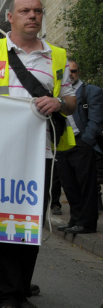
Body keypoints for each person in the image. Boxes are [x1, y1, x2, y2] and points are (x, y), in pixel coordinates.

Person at [0, 0, 75, 308]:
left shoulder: (56, 55)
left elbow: (70, 100)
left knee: (30, 224)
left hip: (39, 153)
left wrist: (57, 102)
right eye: (25, 11)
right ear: (10, 17)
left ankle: (20, 293)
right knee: (0, 224)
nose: (32, 16)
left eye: (38, 11)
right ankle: (6, 299)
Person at [55, 60, 101, 235]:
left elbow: (96, 120)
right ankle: (75, 220)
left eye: (73, 71)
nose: (70, 74)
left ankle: (87, 223)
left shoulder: (91, 91)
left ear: (78, 72)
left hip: (81, 143)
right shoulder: (57, 93)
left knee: (86, 186)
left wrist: (86, 140)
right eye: (66, 72)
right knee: (69, 185)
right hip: (62, 145)